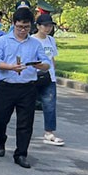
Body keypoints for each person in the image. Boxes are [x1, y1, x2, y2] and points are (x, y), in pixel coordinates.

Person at [0, 7, 51, 168]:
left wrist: (40, 65)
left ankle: (21, 154)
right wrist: (11, 67)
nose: (22, 30)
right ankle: (0, 140)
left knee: (25, 123)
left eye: (26, 27)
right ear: (13, 24)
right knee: (0, 119)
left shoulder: (35, 44)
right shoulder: (2, 41)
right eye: (19, 27)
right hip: (7, 86)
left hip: (28, 87)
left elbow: (46, 63)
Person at [33, 13, 65, 146]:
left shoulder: (51, 40)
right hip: (33, 77)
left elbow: (52, 58)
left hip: (48, 77)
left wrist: (53, 72)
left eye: (50, 26)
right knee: (27, 105)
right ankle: (24, 130)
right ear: (38, 26)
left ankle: (49, 133)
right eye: (45, 25)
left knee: (50, 105)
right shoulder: (32, 40)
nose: (48, 28)